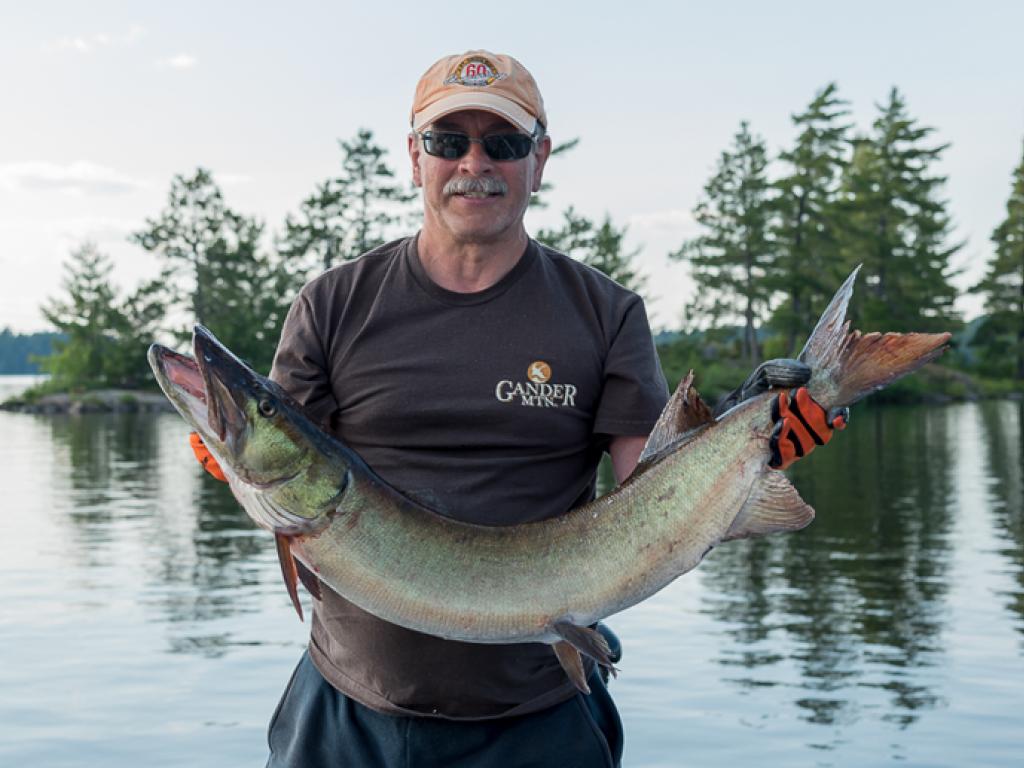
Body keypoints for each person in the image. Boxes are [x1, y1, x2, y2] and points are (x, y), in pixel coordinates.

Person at [189, 49, 846, 767]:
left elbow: (648, 487)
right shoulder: (333, 303)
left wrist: (747, 443)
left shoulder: (605, 313)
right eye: (448, 142)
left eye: (501, 143)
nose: (475, 162)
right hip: (348, 712)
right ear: (415, 157)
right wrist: (233, 450)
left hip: (540, 723)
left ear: (539, 158)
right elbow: (293, 458)